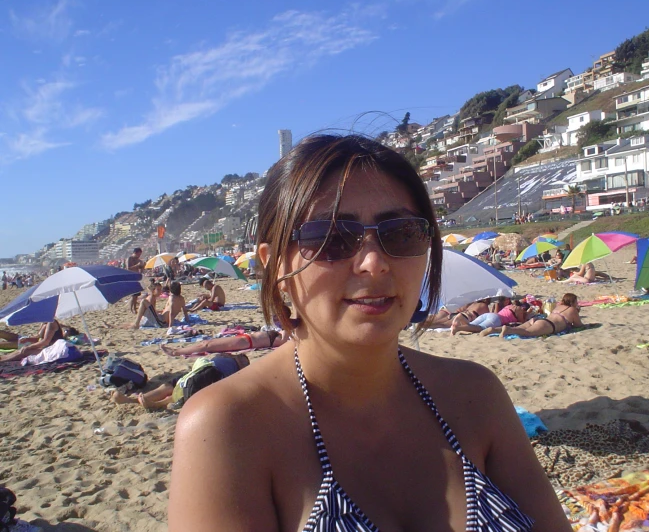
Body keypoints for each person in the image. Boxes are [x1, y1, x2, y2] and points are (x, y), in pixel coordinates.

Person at [169, 134, 569, 531]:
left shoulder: (475, 395)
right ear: (275, 269)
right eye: (330, 238)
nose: (374, 263)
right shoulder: (230, 427)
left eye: (402, 233)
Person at [112, 353, 251, 410]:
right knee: (171, 387)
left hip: (205, 372)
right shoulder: (231, 361)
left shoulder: (233, 366)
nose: (244, 364)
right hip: (203, 371)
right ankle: (135, 401)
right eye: (244, 361)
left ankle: (138, 402)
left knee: (177, 388)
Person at [497, 293, 583, 339]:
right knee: (527, 333)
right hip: (548, 326)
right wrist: (577, 312)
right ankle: (508, 330)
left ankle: (491, 330)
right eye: (576, 302)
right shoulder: (572, 310)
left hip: (540, 320)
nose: (577, 303)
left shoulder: (559, 306)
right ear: (572, 303)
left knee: (520, 328)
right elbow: (578, 325)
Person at [161, 329, 288, 356]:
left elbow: (283, 340)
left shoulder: (284, 339)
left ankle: (176, 352)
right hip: (244, 338)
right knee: (208, 343)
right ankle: (178, 351)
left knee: (207, 345)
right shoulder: (283, 332)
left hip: (245, 342)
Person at [0, 320, 67, 363]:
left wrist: (30, 346)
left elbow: (45, 341)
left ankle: (4, 360)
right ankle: (2, 358)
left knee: (25, 351)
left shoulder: (51, 323)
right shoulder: (46, 323)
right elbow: (39, 337)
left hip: (54, 350)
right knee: (22, 350)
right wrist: (28, 339)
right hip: (48, 348)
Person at [452, 302, 530, 335]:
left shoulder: (509, 306)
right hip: (497, 319)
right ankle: (457, 328)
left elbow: (497, 311)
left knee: (471, 325)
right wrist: (527, 314)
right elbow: (522, 322)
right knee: (480, 328)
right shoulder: (519, 309)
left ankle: (462, 318)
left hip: (490, 315)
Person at [127, 248, 146, 313]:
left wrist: (143, 266)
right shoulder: (130, 258)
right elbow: (128, 268)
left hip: (136, 277)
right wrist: (137, 265)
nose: (139, 256)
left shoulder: (138, 259)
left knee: (136, 295)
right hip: (131, 278)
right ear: (135, 252)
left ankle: (134, 308)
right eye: (138, 254)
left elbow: (141, 269)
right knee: (133, 295)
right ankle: (133, 309)